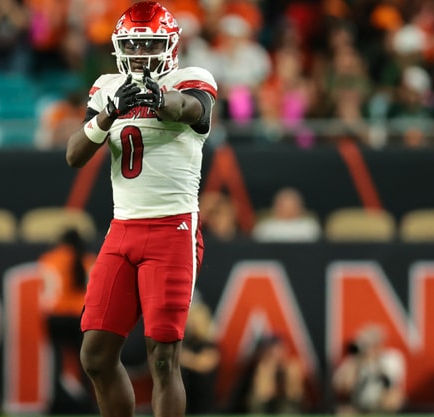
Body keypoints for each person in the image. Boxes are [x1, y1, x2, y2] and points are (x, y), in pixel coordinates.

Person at [64, 3, 217, 417]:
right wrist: (110, 112)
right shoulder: (107, 86)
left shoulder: (192, 78)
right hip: (122, 229)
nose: (142, 53)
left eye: (150, 43)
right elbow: (75, 155)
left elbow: (191, 110)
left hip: (173, 228)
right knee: (95, 354)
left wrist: (158, 97)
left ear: (169, 45)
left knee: (164, 359)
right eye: (134, 44)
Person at [38, 228, 96, 414]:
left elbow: (47, 292)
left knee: (56, 362)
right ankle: (89, 403)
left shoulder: (50, 259)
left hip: (56, 317)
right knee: (85, 361)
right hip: (80, 317)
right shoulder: (88, 261)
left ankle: (56, 403)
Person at [332, 325, 406, 415]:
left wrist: (376, 362)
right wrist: (357, 364)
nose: (369, 348)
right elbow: (341, 386)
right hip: (359, 405)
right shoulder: (354, 360)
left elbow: (391, 382)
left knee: (394, 396)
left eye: (372, 343)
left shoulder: (391, 357)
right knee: (342, 412)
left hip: (381, 403)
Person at [179, 291, 220, 414]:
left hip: (203, 405)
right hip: (186, 402)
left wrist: (184, 358)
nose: (191, 324)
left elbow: (204, 364)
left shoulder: (209, 345)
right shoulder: (187, 343)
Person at [252, 187, 322, 242]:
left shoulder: (309, 226)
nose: (288, 210)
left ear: (299, 207)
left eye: (291, 206)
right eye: (284, 206)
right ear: (276, 206)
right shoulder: (265, 227)